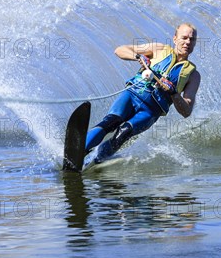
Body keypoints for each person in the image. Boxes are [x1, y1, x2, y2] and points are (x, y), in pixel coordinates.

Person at [84, 23, 201, 163]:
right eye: (184, 37)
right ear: (175, 39)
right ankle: (81, 149)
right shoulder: (158, 49)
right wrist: (138, 57)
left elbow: (186, 110)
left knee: (124, 131)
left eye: (192, 39)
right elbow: (120, 50)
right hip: (131, 96)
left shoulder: (193, 75)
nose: (188, 42)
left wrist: (174, 93)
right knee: (111, 121)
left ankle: (92, 161)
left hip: (150, 112)